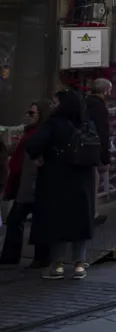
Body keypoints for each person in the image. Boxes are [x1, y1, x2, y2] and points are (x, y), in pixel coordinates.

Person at [26, 91, 94, 279]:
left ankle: (58, 265)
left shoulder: (54, 124)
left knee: (57, 221)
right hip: (82, 178)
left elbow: (32, 144)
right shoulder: (87, 123)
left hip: (56, 178)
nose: (53, 105)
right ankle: (80, 265)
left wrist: (38, 156)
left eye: (56, 102)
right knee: (81, 219)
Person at [0, 100, 51, 266]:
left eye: (32, 113)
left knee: (21, 219)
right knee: (18, 220)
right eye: (28, 113)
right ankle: (14, 257)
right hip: (26, 182)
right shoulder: (30, 132)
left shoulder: (40, 133)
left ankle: (33, 257)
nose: (28, 116)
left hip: (33, 183)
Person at [85, 79, 114, 224]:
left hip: (84, 148)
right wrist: (105, 158)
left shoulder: (86, 102)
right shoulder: (100, 107)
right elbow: (103, 133)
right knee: (93, 181)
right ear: (105, 91)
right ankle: (91, 214)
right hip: (92, 150)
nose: (110, 92)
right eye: (109, 89)